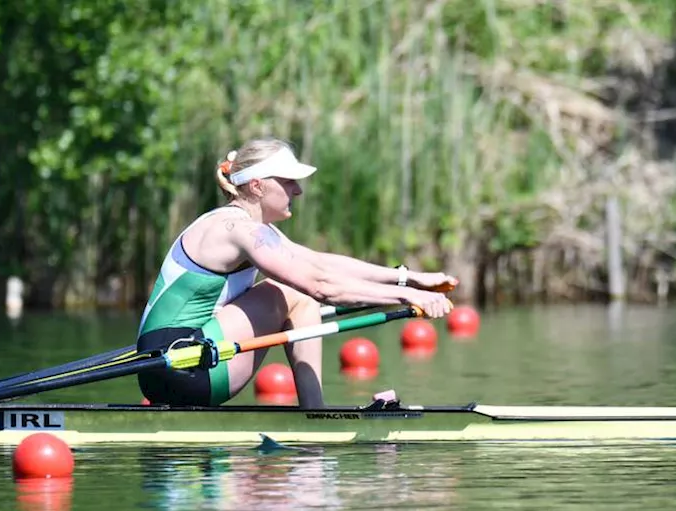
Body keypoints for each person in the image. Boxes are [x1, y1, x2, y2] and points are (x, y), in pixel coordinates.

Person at [136, 137, 456, 409]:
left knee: (298, 293)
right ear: (257, 186)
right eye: (288, 181)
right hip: (182, 363)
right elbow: (320, 286)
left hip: (175, 364)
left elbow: (321, 264)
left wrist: (411, 278)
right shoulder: (235, 228)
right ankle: (315, 415)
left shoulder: (253, 228)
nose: (298, 191)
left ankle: (314, 414)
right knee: (294, 292)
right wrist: (407, 297)